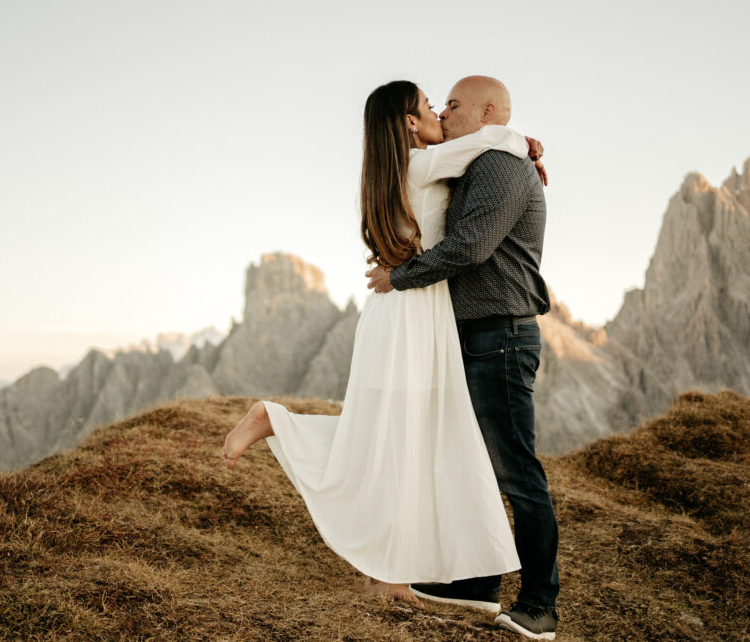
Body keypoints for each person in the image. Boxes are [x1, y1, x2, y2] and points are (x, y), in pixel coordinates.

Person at [223, 80, 543, 603]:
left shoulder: (392, 171)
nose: (439, 110)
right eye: (428, 106)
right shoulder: (422, 166)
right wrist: (525, 143)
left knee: (389, 437)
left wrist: (523, 148)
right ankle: (277, 422)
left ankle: (384, 575)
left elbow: (484, 148)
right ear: (410, 124)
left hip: (400, 310)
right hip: (413, 312)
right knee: (403, 439)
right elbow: (492, 141)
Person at [367, 75, 560, 640]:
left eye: (453, 104)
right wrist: (526, 142)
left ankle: (540, 605)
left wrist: (400, 278)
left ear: (488, 113)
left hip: (498, 336)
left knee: (518, 473)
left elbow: (471, 246)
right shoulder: (479, 159)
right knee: (471, 464)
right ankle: (476, 585)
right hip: (472, 335)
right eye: (440, 105)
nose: (444, 113)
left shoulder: (500, 165)